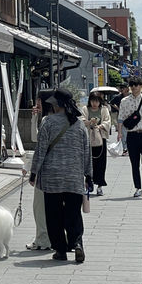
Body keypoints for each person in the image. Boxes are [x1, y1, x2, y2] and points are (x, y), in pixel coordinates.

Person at [29, 89, 92, 264]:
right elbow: (86, 152)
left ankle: (60, 250)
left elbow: (40, 150)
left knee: (54, 215)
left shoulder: (47, 122)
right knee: (73, 213)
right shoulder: (79, 125)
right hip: (74, 176)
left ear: (57, 105)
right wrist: (89, 175)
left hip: (52, 178)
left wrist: (34, 172)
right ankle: (77, 243)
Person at [24, 89, 54, 251]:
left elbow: (37, 143)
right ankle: (53, 238)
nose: (36, 104)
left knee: (40, 207)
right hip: (60, 172)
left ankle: (43, 239)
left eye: (39, 101)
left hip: (45, 172)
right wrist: (34, 117)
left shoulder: (47, 121)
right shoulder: (63, 119)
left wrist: (31, 170)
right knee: (53, 208)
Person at [118, 76, 142, 198]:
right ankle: (138, 188)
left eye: (137, 86)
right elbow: (120, 118)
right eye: (132, 86)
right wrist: (119, 133)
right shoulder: (124, 101)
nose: (134, 88)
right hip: (132, 135)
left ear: (141, 87)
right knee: (134, 163)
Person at [81, 92, 111, 196]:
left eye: (97, 101)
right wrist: (89, 122)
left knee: (101, 163)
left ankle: (100, 185)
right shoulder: (85, 109)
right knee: (88, 162)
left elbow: (108, 121)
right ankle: (89, 182)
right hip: (88, 139)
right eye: (93, 100)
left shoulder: (104, 109)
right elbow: (81, 120)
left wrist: (100, 126)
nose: (95, 103)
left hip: (100, 139)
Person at [111, 83, 130, 154]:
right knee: (123, 133)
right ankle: (125, 149)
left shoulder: (131, 96)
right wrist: (118, 108)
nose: (123, 89)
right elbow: (111, 103)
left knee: (130, 134)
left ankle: (129, 148)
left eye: (124, 88)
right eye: (122, 88)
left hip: (131, 118)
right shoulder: (118, 97)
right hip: (121, 117)